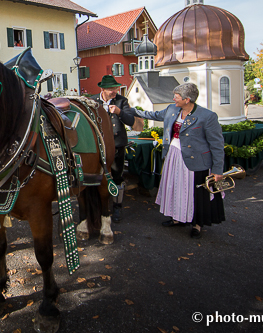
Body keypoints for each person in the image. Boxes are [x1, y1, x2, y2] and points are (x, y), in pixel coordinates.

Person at [132, 83, 225, 238]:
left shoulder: (207, 116)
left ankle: (197, 224)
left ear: (187, 100)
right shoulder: (172, 109)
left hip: (197, 161)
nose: (173, 99)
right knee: (176, 187)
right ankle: (178, 218)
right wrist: (130, 111)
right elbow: (153, 115)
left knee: (196, 193)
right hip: (173, 156)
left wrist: (217, 170)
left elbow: (217, 145)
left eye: (177, 97)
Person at [92, 75, 135, 222]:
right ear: (102, 89)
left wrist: (119, 112)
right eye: (111, 89)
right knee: (96, 176)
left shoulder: (122, 101)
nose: (114, 91)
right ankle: (97, 206)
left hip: (117, 144)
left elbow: (131, 120)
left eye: (115, 88)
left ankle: (117, 208)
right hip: (97, 146)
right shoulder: (92, 101)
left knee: (117, 176)